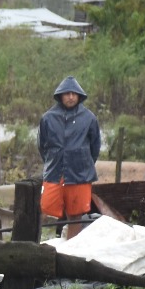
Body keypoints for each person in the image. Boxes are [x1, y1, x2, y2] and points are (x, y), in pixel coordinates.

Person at [38, 76, 101, 235]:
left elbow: (95, 146)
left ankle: (72, 248)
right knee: (46, 209)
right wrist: (53, 161)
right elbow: (42, 146)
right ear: (60, 95)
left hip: (80, 173)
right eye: (67, 93)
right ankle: (45, 243)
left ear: (79, 96)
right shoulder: (47, 118)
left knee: (76, 214)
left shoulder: (89, 118)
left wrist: (83, 162)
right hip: (54, 172)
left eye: (74, 93)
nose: (71, 97)